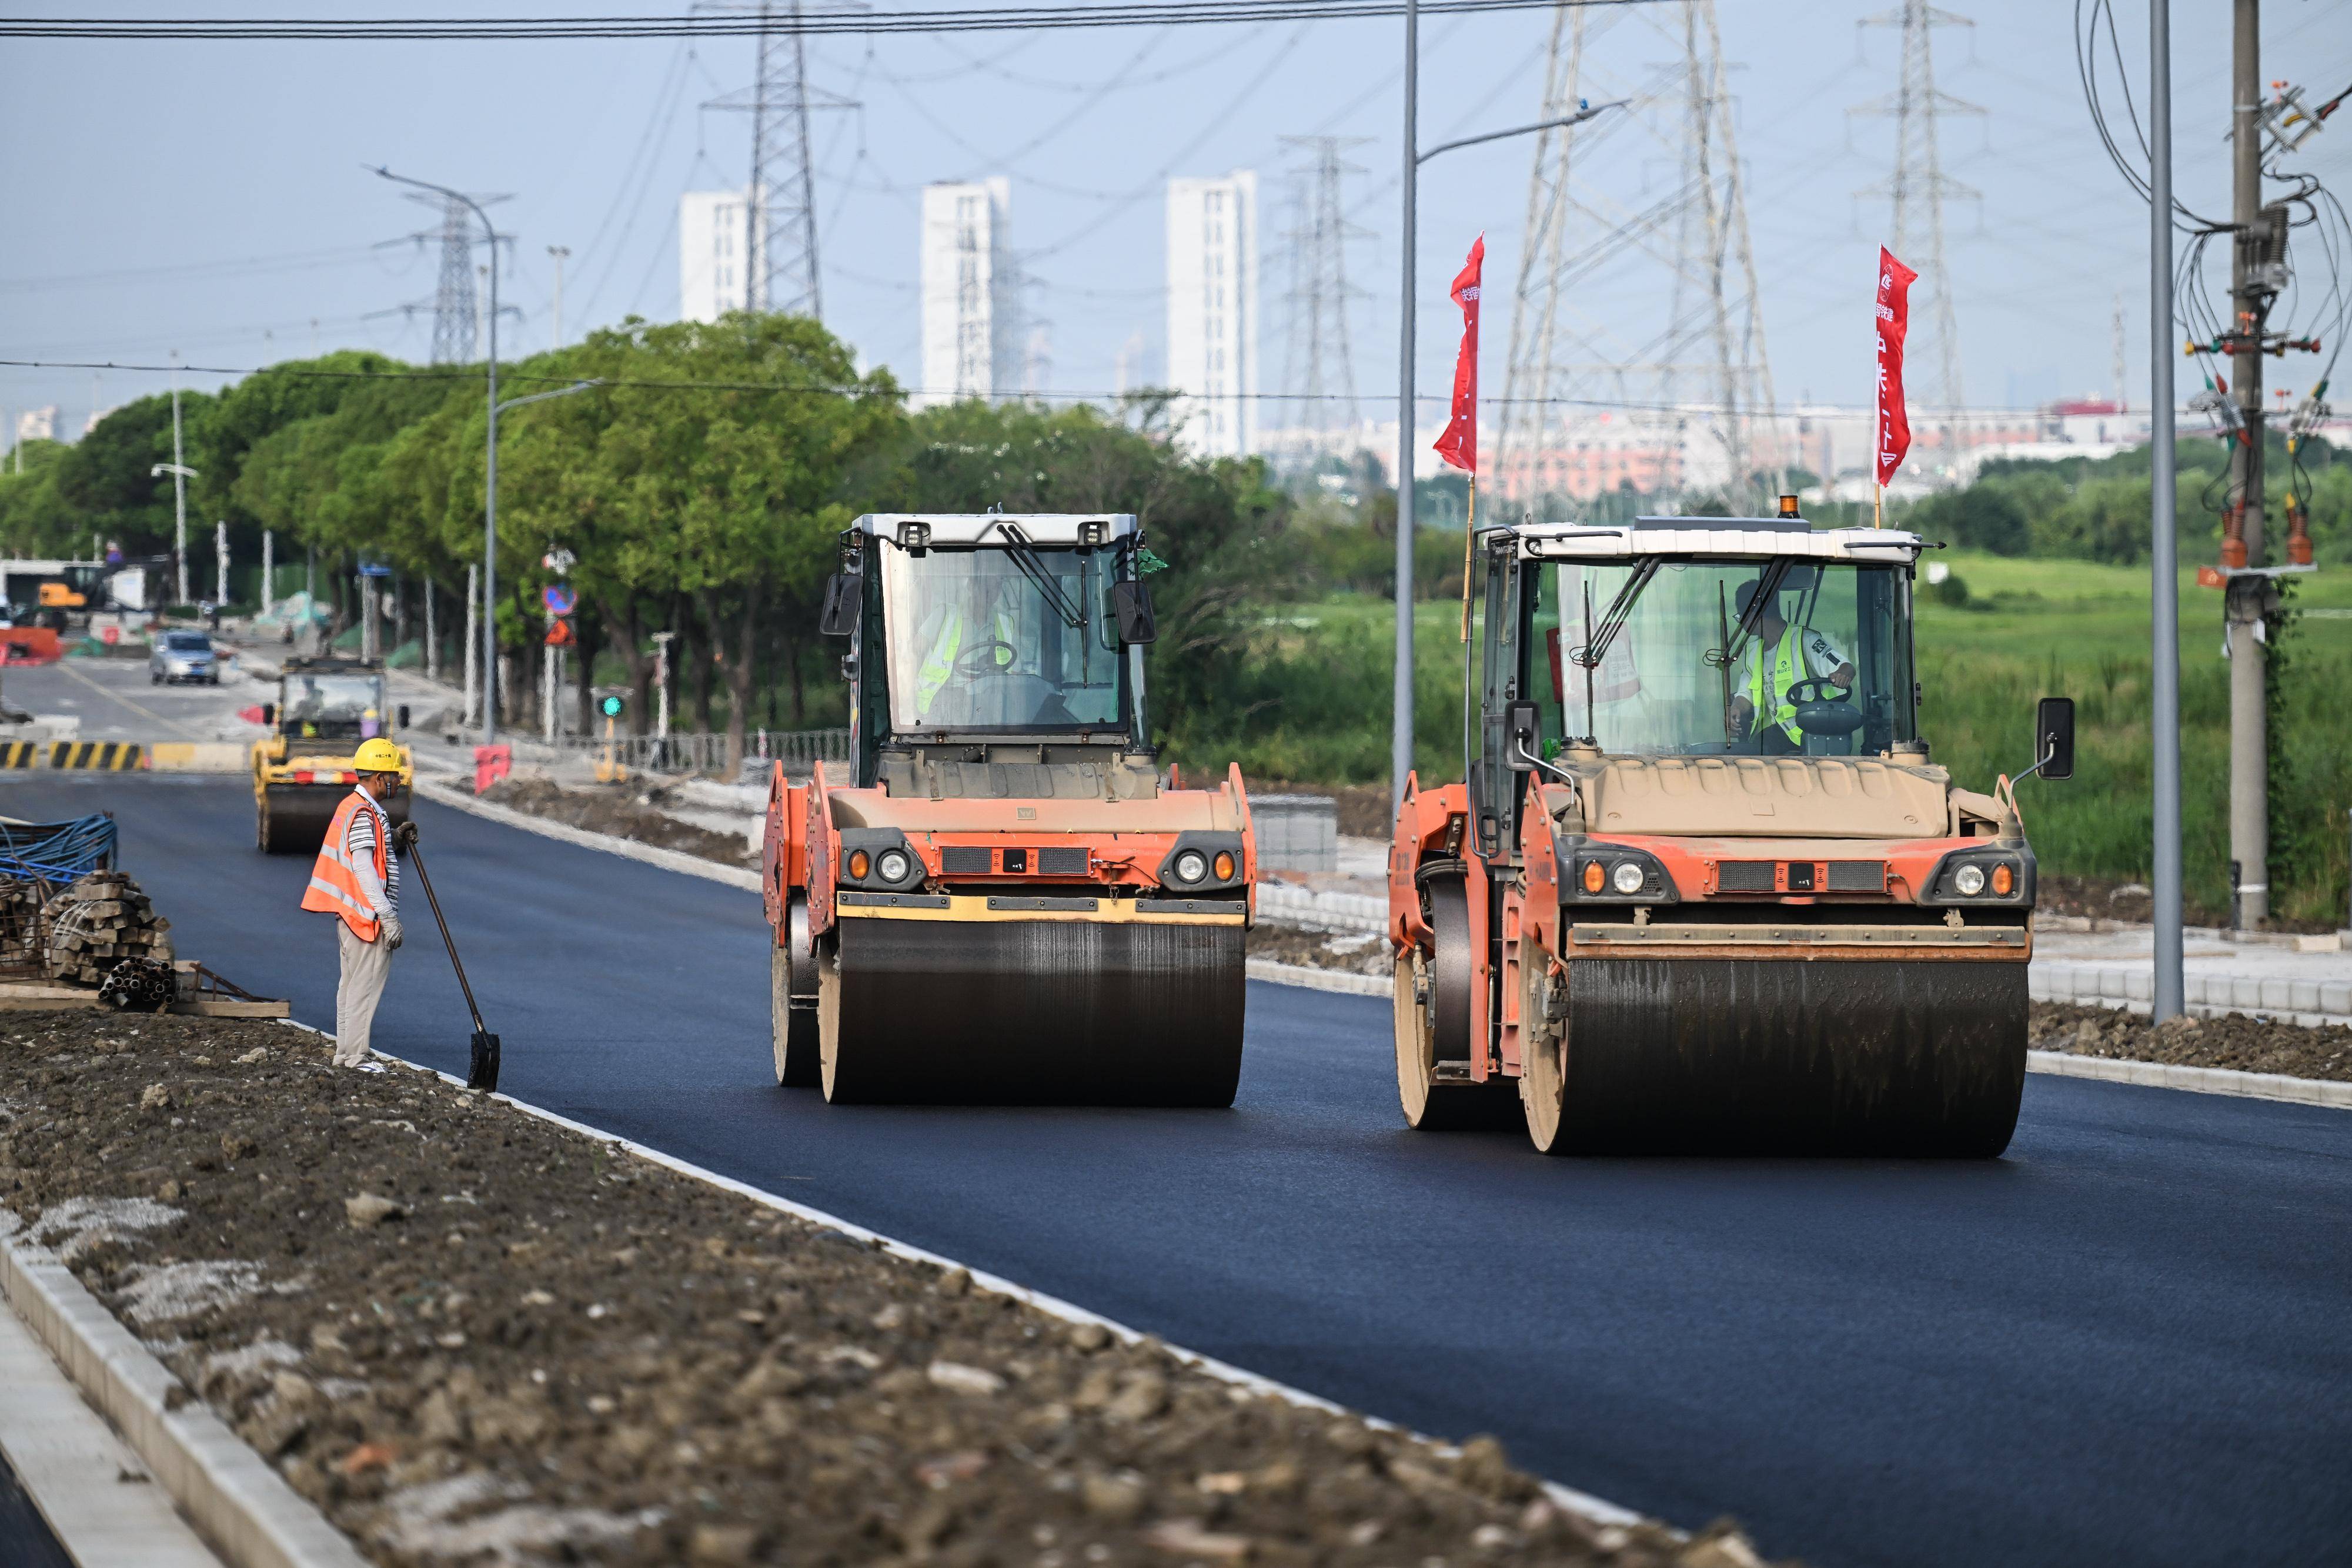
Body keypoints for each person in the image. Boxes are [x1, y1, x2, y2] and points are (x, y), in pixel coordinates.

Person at [299, 737, 410, 1070]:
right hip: (366, 917)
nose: (397, 781)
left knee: (350, 988)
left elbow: (364, 850)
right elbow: (363, 865)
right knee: (365, 987)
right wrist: (387, 915)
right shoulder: (364, 813)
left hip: (350, 915)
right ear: (378, 778)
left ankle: (346, 1052)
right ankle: (357, 1057)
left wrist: (393, 839)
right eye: (393, 775)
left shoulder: (353, 806)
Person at [1725, 578, 1856, 755]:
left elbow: (1845, 667)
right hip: (1770, 737)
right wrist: (1735, 709)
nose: (1741, 624)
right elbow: (1745, 695)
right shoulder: (1752, 652)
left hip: (1809, 734)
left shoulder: (1805, 640)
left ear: (1754, 613)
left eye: (1740, 617)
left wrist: (1842, 675)